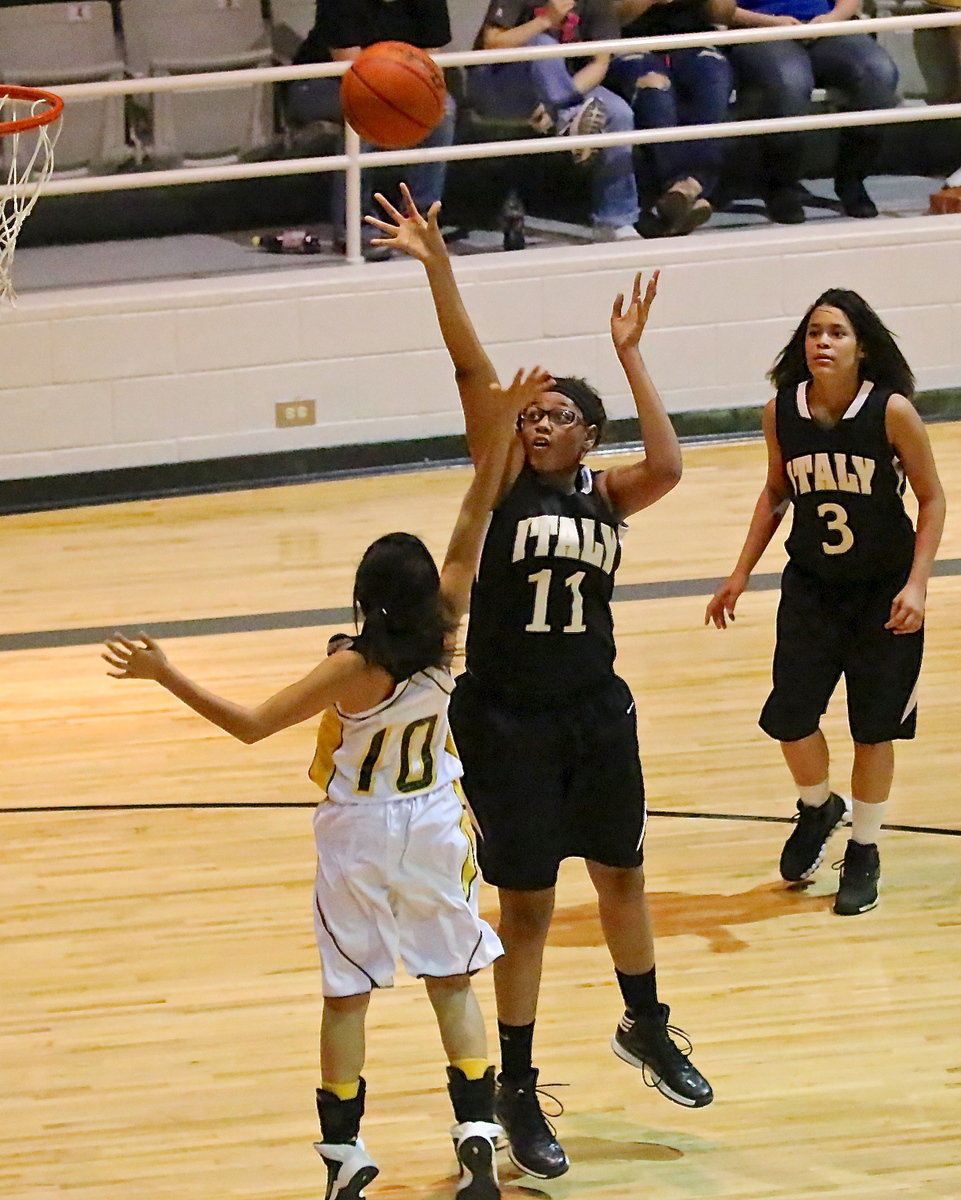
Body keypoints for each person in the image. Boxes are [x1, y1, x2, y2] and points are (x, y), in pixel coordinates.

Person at [101, 364, 556, 1200]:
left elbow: (245, 724)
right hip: (434, 824)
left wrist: (165, 673)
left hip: (361, 830)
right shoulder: (447, 628)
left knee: (348, 993)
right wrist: (499, 431)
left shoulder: (353, 667)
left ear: (364, 595)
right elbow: (472, 518)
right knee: (451, 981)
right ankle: (477, 1133)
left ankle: (345, 1155)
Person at [366, 183, 713, 1182]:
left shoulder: (608, 494)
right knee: (523, 911)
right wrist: (439, 269)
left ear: (582, 438)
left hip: (596, 713)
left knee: (623, 878)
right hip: (507, 719)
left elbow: (671, 462)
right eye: (535, 411)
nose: (540, 420)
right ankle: (515, 1087)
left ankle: (644, 1023)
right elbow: (472, 365)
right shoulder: (501, 475)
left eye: (559, 416)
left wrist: (631, 357)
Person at [705, 290, 945, 916]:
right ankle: (818, 807)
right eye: (815, 331)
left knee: (874, 728)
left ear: (861, 346)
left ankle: (863, 848)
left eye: (837, 332)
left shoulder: (891, 412)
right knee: (789, 715)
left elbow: (934, 499)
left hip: (882, 591)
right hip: (812, 587)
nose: (823, 342)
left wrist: (918, 584)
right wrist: (738, 574)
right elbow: (774, 492)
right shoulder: (780, 412)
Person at [286, 0, 456, 260]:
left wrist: (417, 98)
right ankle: (354, 226)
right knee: (367, 110)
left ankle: (419, 220)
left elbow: (432, 66)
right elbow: (351, 67)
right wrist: (400, 95)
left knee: (443, 110)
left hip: (393, 86)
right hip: (319, 85)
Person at [468, 0, 642, 241]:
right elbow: (492, 42)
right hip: (503, 86)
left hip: (562, 90)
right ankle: (570, 122)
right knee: (542, 43)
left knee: (619, 112)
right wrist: (545, 21)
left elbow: (599, 63)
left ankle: (615, 220)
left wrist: (557, 101)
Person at [728, 0, 899, 223]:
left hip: (826, 26)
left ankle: (852, 179)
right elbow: (717, 8)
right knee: (789, 81)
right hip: (759, 30)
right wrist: (769, 22)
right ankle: (780, 186)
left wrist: (831, 19)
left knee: (879, 72)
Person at [607, 0, 735, 236]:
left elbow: (725, 13)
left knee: (713, 80)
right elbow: (607, 16)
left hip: (694, 42)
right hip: (626, 43)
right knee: (656, 90)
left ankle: (688, 188)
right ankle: (681, 189)